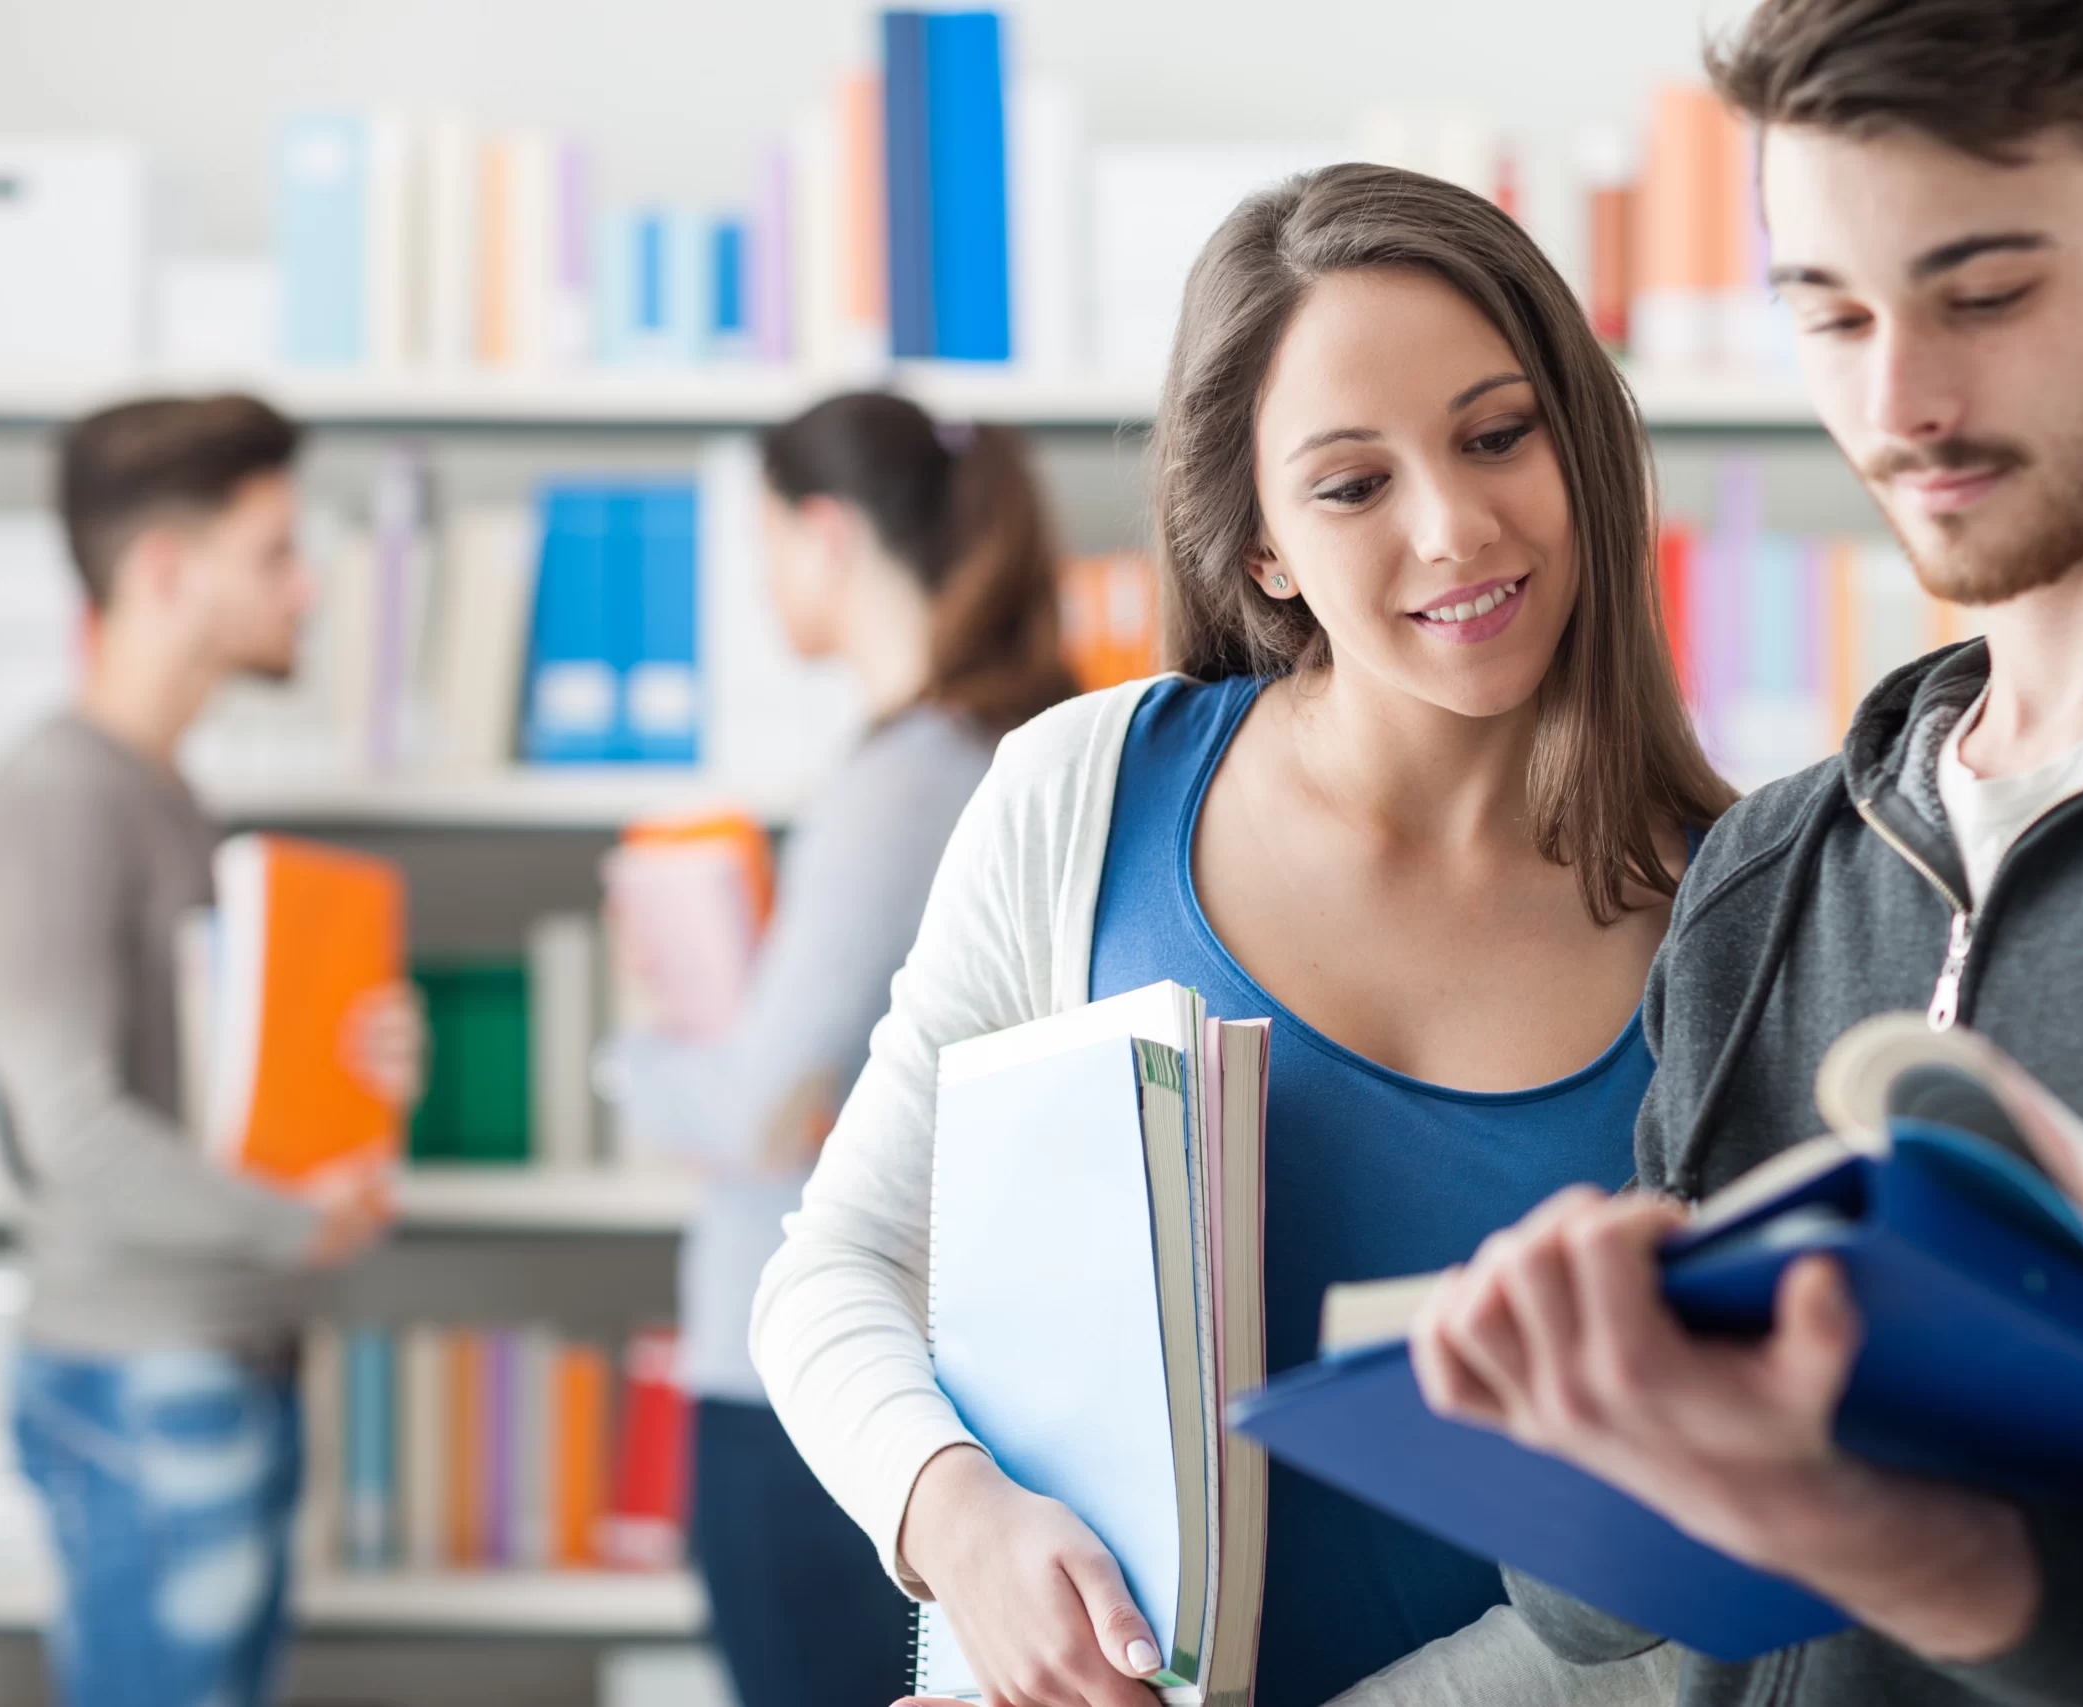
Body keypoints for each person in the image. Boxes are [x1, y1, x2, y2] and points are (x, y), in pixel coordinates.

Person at [1408, 3, 2083, 1705]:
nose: (1900, 401)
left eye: (1985, 294)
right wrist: (1570, 1418)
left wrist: (1869, 1524)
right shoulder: (1767, 869)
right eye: (1830, 308)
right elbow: (1612, 1609)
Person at [751, 165, 1735, 1707]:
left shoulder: (1740, 917)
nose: (1456, 526)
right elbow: (834, 1269)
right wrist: (960, 1518)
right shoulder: (1083, 796)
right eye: (1353, 484)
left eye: (1497, 435)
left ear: (1581, 440)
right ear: (1263, 542)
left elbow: (1696, 1555)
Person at [600, 392, 1080, 1707]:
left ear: (823, 534)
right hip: (906, 1377)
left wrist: (634, 1053)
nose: (759, 580)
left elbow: (767, 1102)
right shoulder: (985, 754)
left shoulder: (906, 779)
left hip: (809, 1391)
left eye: (761, 540)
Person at [0, 394, 424, 1707]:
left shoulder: (162, 794)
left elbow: (199, 1094)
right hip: (144, 1376)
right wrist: (299, 1221)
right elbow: (77, 1131)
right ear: (165, 572)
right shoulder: (61, 794)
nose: (309, 585)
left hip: (214, 1364)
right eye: (273, 551)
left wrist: (352, 1067)